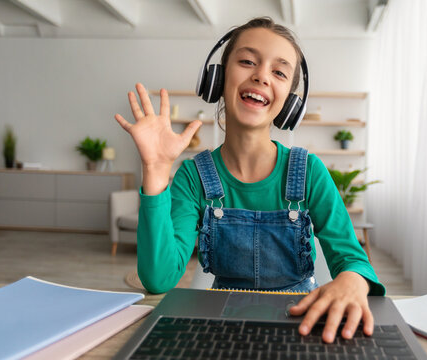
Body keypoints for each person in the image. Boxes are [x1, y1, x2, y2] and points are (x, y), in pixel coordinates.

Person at [115, 17, 385, 344]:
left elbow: (352, 258)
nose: (260, 75)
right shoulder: (193, 176)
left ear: (291, 102)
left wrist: (353, 280)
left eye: (279, 72)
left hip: (300, 321)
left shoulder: (310, 171)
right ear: (217, 78)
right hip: (220, 325)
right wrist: (156, 171)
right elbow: (159, 279)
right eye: (247, 61)